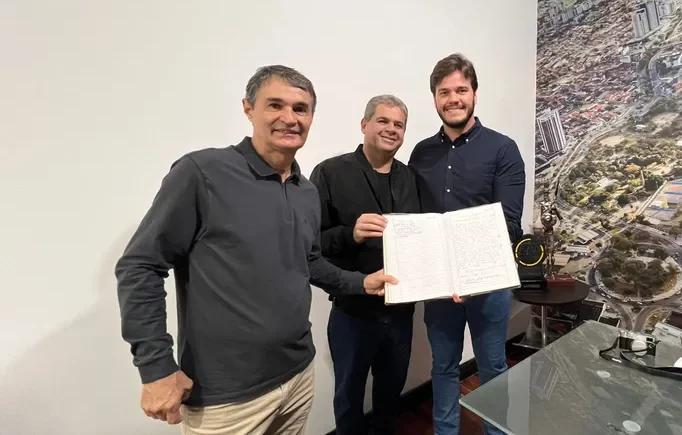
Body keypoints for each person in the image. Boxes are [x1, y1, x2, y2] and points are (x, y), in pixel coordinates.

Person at [114, 65, 398, 435]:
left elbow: (309, 262)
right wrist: (156, 368)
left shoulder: (305, 191)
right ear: (249, 109)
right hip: (227, 397)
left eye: (300, 109)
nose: (289, 118)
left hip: (298, 375)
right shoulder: (203, 173)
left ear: (311, 117)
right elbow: (139, 266)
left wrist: (361, 283)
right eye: (275, 105)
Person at [408, 53, 525, 435]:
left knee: (492, 367)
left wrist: (468, 273)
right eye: (444, 92)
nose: (453, 98)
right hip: (439, 286)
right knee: (443, 367)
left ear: (474, 93)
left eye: (461, 89)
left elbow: (508, 223)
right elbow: (416, 219)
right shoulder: (421, 153)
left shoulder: (503, 149)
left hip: (488, 285)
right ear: (434, 98)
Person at [309, 95, 421, 435]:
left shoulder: (411, 178)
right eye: (383, 121)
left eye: (398, 124)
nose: (391, 129)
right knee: (348, 397)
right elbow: (310, 245)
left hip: (401, 313)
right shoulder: (329, 172)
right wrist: (350, 233)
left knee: (390, 395)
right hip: (353, 312)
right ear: (364, 124)